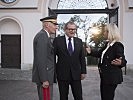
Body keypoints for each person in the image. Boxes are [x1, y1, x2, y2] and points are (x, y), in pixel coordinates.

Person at [86, 23, 127, 100]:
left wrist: (120, 62)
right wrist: (90, 52)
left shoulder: (117, 45)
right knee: (104, 97)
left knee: (107, 97)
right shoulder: (107, 44)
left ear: (110, 32)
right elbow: (99, 54)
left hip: (111, 78)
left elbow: (123, 60)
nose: (104, 33)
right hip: (105, 76)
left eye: (105, 31)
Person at [53, 21, 87, 100]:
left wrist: (83, 71)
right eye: (70, 29)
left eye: (74, 29)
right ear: (65, 29)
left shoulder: (79, 41)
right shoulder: (57, 40)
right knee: (63, 97)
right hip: (62, 74)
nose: (72, 31)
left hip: (76, 74)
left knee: (78, 96)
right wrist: (53, 73)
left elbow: (82, 58)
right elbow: (53, 57)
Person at [32, 15, 58, 100]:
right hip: (45, 77)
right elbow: (41, 59)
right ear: (47, 25)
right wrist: (44, 79)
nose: (56, 27)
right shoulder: (42, 36)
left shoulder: (45, 36)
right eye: (54, 24)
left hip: (46, 76)